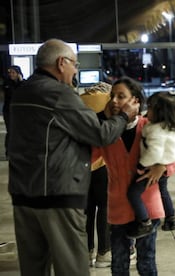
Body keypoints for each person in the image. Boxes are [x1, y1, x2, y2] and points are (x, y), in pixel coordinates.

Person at [7, 38, 139, 276]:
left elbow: (59, 133)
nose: (76, 70)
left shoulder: (22, 92)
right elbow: (100, 136)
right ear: (61, 63)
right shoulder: (60, 94)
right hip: (57, 196)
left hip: (23, 196)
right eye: (74, 65)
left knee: (33, 268)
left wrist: (99, 117)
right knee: (72, 268)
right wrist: (124, 117)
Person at [93, 76, 175, 275]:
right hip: (118, 206)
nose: (114, 101)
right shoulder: (107, 131)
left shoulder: (150, 125)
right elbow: (90, 156)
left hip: (148, 206)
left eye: (121, 96)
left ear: (135, 100)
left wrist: (163, 168)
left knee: (146, 263)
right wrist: (102, 117)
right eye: (112, 96)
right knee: (118, 264)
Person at [127, 91, 175, 238]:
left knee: (133, 193)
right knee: (163, 191)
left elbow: (154, 152)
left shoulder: (155, 130)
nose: (147, 111)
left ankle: (144, 222)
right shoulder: (172, 128)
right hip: (162, 166)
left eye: (150, 108)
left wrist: (141, 166)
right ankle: (171, 218)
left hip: (150, 168)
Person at [80, 81, 112, 268]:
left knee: (87, 210)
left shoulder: (79, 101)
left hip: (83, 163)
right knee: (105, 207)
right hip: (103, 162)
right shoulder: (108, 100)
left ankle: (85, 252)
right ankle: (104, 253)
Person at [2, 65, 24, 157]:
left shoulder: (23, 83)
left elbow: (24, 92)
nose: (11, 74)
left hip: (19, 111)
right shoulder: (7, 84)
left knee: (20, 131)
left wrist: (21, 81)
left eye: (13, 72)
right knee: (10, 131)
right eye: (9, 72)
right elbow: (11, 93)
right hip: (8, 110)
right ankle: (9, 151)